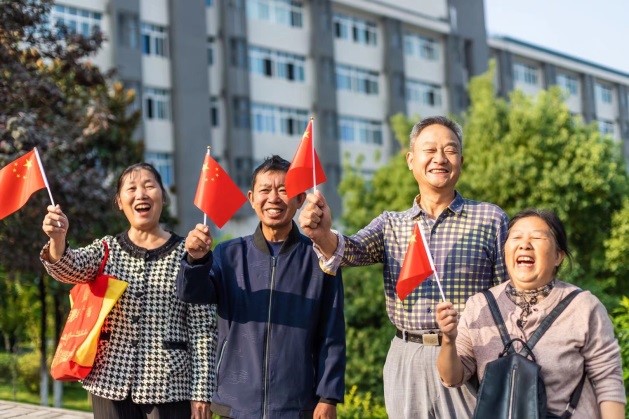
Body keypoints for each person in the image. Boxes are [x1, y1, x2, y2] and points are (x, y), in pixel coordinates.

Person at [299, 115, 509, 418]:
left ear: (461, 161)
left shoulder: (490, 219)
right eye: (430, 150)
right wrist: (322, 234)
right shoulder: (392, 224)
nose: (440, 158)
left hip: (469, 356)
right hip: (407, 355)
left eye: (450, 150)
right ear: (411, 160)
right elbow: (350, 252)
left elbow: (508, 297)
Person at [41, 163, 217, 419]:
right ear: (120, 202)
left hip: (171, 386)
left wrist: (202, 392)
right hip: (109, 383)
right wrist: (58, 240)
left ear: (163, 197)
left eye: (149, 186)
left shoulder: (189, 253)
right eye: (131, 188)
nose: (141, 194)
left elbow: (203, 329)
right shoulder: (106, 249)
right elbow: (69, 268)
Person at [176, 155, 345, 419]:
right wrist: (195, 261)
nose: (273, 198)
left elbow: (332, 331)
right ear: (252, 198)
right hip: (238, 402)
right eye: (265, 190)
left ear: (300, 199)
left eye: (283, 190)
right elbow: (191, 293)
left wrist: (328, 397)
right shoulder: (228, 255)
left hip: (297, 403)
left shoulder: (320, 257)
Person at [435, 209, 626, 418]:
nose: (524, 244)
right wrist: (448, 340)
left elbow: (608, 382)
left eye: (537, 237)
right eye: (516, 237)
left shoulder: (583, 307)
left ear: (558, 256)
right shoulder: (479, 305)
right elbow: (452, 378)